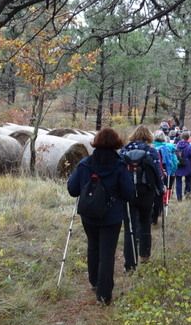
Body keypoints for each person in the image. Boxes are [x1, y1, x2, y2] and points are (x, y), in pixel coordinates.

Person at [67, 127, 134, 306]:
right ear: (116, 144)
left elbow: (72, 190)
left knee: (93, 247)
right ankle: (104, 295)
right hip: (111, 217)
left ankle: (95, 282)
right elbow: (129, 193)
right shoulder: (120, 166)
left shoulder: (85, 164)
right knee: (107, 253)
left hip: (89, 215)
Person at [119, 126, 164, 268]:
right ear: (148, 136)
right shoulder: (151, 151)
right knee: (145, 223)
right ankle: (144, 256)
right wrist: (160, 189)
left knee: (129, 227)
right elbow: (158, 173)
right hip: (146, 192)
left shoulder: (124, 150)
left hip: (128, 192)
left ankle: (130, 264)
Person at [151, 130, 178, 222]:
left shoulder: (151, 147)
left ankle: (152, 214)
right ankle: (158, 212)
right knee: (161, 192)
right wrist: (170, 172)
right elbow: (169, 162)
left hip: (151, 174)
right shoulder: (167, 148)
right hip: (164, 173)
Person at [174, 131, 191, 201]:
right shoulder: (189, 147)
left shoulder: (176, 146)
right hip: (187, 166)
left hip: (178, 165)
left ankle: (179, 198)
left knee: (178, 182)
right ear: (188, 138)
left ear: (181, 137)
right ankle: (187, 195)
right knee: (188, 181)